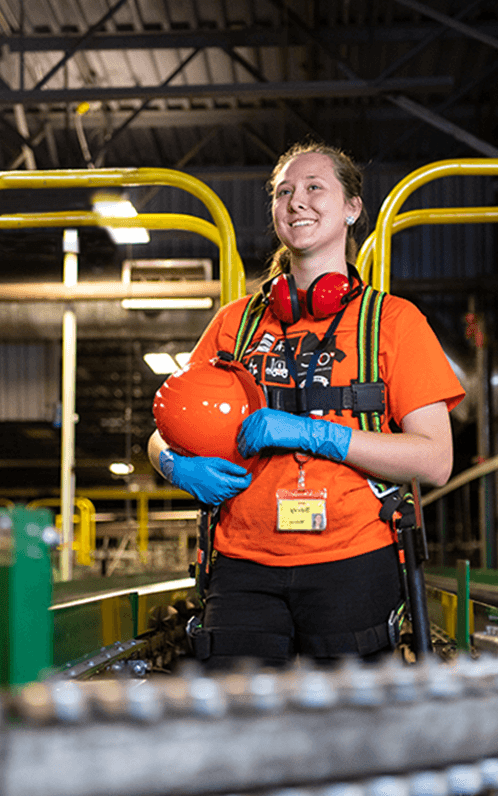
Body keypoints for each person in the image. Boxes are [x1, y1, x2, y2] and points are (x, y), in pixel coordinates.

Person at [148, 141, 465, 669]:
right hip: (243, 566)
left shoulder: (392, 322)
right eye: (284, 192)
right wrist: (174, 464)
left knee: (350, 739)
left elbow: (434, 460)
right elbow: (164, 429)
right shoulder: (235, 324)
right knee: (242, 728)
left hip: (354, 562)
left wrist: (316, 435)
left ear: (352, 208)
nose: (298, 201)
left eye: (316, 188)